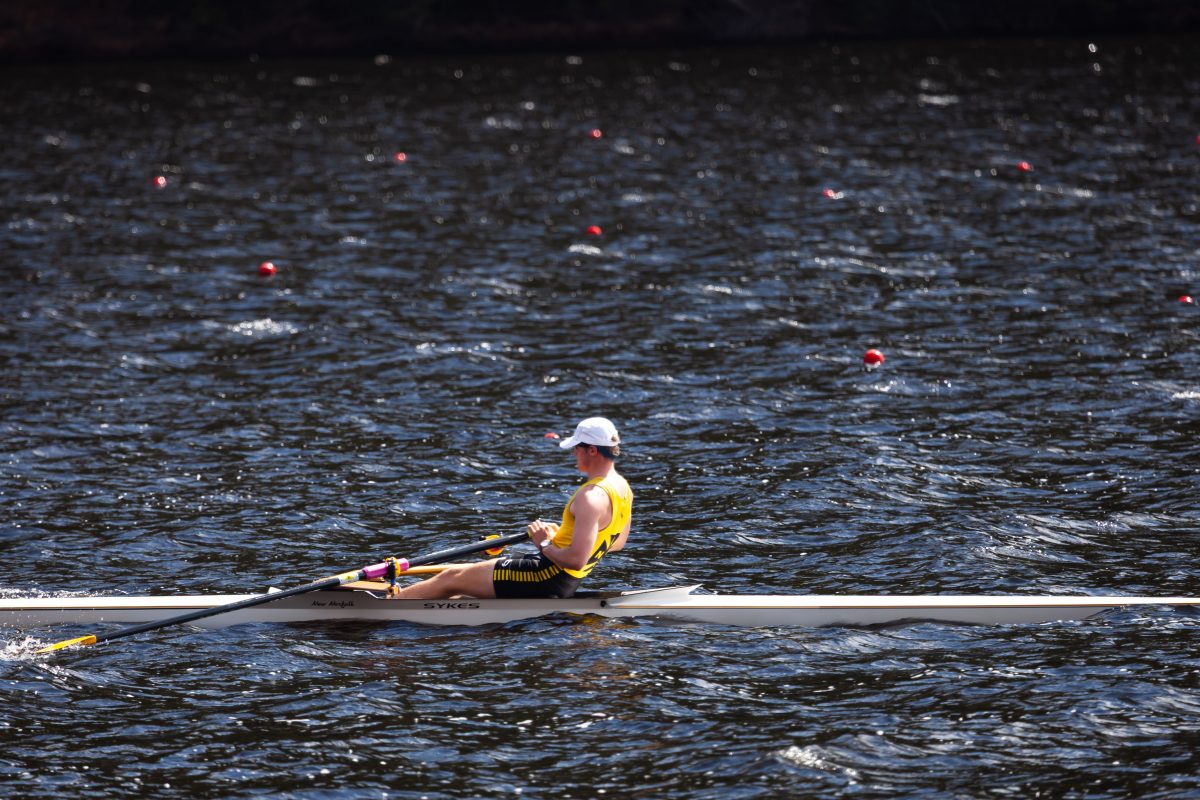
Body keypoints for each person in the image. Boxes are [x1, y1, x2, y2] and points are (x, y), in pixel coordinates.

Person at [386, 417, 632, 600]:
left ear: (592, 450)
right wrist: (565, 537)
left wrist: (545, 544)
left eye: (577, 448)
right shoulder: (622, 489)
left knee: (451, 578)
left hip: (545, 576)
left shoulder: (591, 497)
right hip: (563, 581)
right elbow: (615, 542)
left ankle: (388, 608)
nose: (574, 454)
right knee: (464, 576)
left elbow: (577, 560)